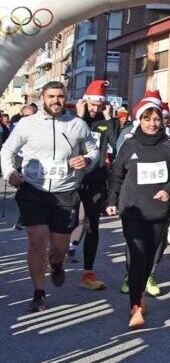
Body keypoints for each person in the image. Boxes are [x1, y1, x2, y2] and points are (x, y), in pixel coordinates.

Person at [0, 81, 99, 311]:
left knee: (59, 247)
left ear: (66, 99)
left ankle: (56, 264)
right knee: (36, 240)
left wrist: (87, 160)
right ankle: (39, 292)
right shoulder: (27, 124)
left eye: (60, 96)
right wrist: (9, 171)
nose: (56, 100)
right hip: (33, 190)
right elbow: (7, 150)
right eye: (51, 96)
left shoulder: (78, 125)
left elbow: (94, 150)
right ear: (43, 98)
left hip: (65, 192)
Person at [106, 100, 170, 328]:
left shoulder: (169, 146)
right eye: (147, 119)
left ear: (162, 121)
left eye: (156, 119)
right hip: (133, 210)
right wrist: (112, 200)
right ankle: (136, 306)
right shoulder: (130, 145)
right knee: (137, 256)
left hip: (159, 211)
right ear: (139, 121)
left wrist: (167, 190)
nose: (152, 123)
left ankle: (139, 292)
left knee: (149, 257)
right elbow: (116, 175)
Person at [68, 80, 117, 290]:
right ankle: (58, 257)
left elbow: (117, 145)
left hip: (96, 180)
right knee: (66, 222)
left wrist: (109, 119)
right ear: (84, 102)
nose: (95, 109)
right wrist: (79, 117)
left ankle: (88, 272)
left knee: (92, 226)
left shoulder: (106, 122)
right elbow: (68, 143)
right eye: (92, 105)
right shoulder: (74, 120)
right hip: (71, 180)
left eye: (99, 105)